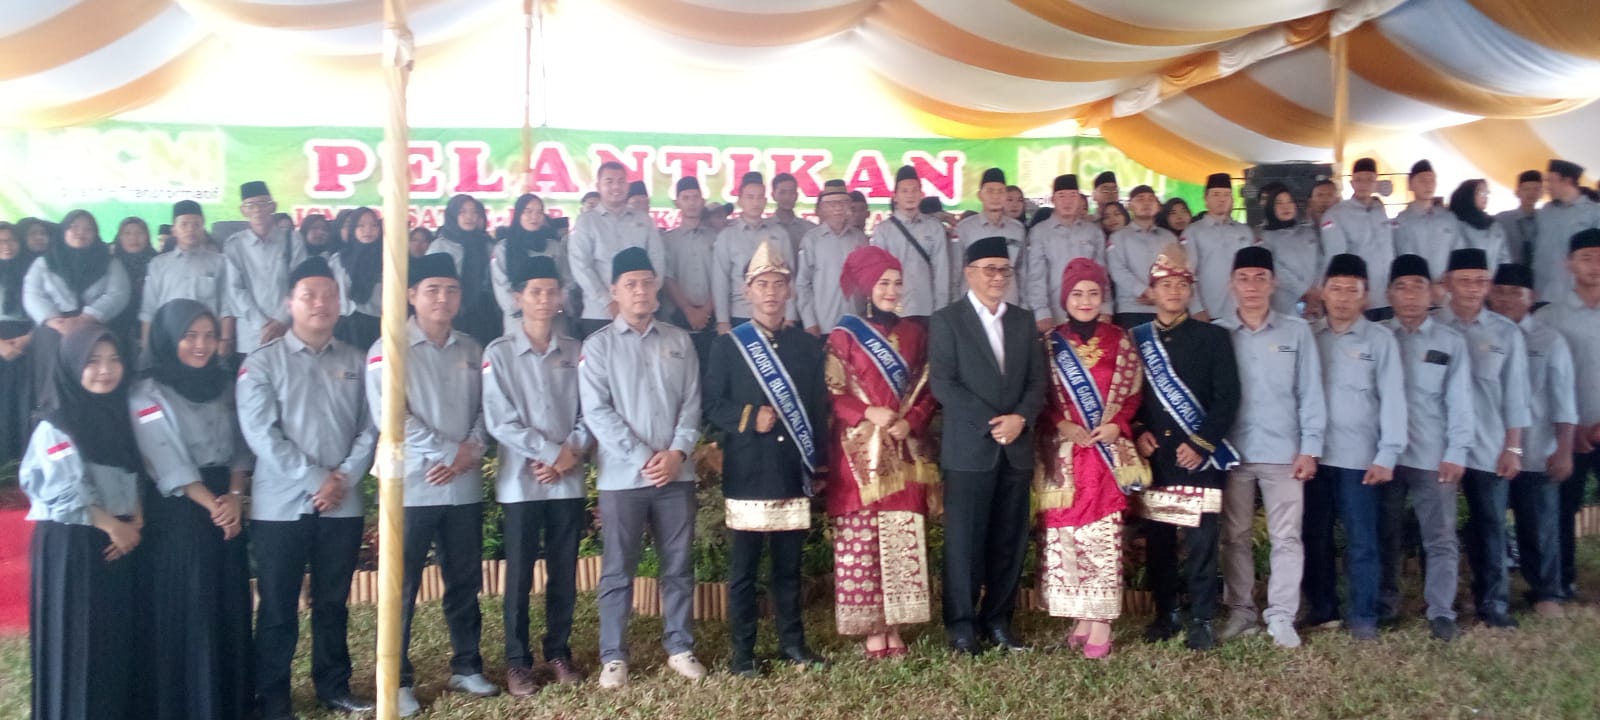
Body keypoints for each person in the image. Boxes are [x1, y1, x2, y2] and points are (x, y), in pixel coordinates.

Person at [237, 257, 376, 718]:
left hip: (342, 504)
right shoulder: (261, 362)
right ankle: (272, 696)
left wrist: (344, 478)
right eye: (309, 295)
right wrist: (318, 478)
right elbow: (261, 434)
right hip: (280, 507)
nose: (320, 303)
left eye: (329, 294)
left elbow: (370, 428)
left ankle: (334, 686)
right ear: (289, 302)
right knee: (278, 606)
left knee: (333, 603)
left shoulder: (357, 362)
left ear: (340, 302)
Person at [365, 253, 496, 712]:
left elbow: (487, 409)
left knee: (464, 580)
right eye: (432, 290)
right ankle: (396, 680)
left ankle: (467, 665)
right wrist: (447, 452)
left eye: (451, 290)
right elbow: (391, 416)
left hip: (462, 486)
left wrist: (471, 449)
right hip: (412, 487)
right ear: (411, 295)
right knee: (401, 586)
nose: (443, 298)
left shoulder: (472, 349)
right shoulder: (388, 347)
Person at [580, 247, 705, 688]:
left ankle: (680, 646)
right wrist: (643, 459)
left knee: (678, 565)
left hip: (676, 474)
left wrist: (678, 453)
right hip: (622, 478)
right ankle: (613, 656)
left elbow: (692, 403)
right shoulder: (598, 347)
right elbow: (597, 412)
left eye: (647, 282)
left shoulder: (679, 341)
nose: (640, 291)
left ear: (657, 288)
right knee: (618, 569)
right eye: (630, 284)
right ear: (614, 291)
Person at [703, 241, 829, 676]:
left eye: (778, 283)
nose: (771, 292)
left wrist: (821, 465)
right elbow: (710, 405)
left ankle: (793, 644)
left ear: (789, 290)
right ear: (747, 291)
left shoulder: (807, 347)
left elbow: (817, 408)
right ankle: (743, 653)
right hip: (748, 471)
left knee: (789, 567)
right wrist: (747, 416)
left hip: (791, 470)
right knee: (744, 571)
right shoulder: (728, 347)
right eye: (762, 284)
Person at [131, 299, 253, 719]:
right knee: (192, 604)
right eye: (190, 336)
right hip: (179, 509)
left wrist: (234, 496)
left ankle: (230, 701)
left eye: (209, 335)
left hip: (226, 501)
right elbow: (164, 458)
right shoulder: (146, 390)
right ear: (169, 338)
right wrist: (215, 506)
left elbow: (241, 444)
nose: (201, 345)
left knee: (227, 600)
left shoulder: (226, 382)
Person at [928, 235, 1048, 655]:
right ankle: (961, 627)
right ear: (969, 273)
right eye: (989, 270)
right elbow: (943, 383)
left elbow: (1038, 381)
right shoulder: (947, 320)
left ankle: (998, 621)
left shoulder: (1023, 320)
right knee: (964, 543)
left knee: (1009, 542)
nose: (998, 277)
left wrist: (1021, 418)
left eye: (1004, 270)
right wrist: (991, 422)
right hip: (969, 449)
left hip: (1015, 446)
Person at [21, 325, 144, 720]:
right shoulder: (56, 423)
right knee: (75, 642)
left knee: (111, 643)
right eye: (92, 361)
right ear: (72, 366)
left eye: (113, 359)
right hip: (73, 545)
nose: (105, 370)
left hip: (117, 543)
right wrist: (114, 526)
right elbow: (61, 491)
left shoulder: (120, 415)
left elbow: (135, 472)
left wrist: (135, 521)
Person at [482, 255, 591, 694]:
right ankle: (517, 661)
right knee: (520, 574)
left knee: (564, 570)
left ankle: (559, 652)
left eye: (551, 291)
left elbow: (590, 411)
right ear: (517, 298)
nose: (544, 299)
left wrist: (570, 453)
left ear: (561, 297)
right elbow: (499, 420)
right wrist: (550, 453)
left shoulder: (576, 352)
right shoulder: (499, 353)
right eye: (535, 292)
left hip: (567, 480)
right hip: (521, 483)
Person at [824, 246, 937, 659]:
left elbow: (929, 388)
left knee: (900, 535)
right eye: (883, 283)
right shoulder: (844, 335)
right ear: (866, 287)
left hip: (904, 449)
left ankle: (897, 624)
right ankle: (873, 628)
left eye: (897, 283)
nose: (891, 290)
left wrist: (914, 420)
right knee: (864, 539)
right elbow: (832, 392)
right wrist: (867, 412)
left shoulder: (915, 334)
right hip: (859, 454)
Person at [1214, 246, 1326, 649]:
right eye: (1244, 278)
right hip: (1233, 452)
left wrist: (1310, 447)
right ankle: (1241, 611)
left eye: (1260, 278)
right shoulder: (1219, 333)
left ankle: (1281, 615)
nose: (1252, 286)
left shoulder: (1296, 332)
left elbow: (1310, 391)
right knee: (1234, 536)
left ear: (1273, 283)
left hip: (1284, 452)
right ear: (1231, 284)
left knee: (1286, 538)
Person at [1131, 243, 1240, 651]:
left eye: (1181, 284)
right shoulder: (1137, 340)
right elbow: (1129, 398)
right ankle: (1166, 614)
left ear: (1191, 290)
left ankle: (1202, 618)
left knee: (1201, 543)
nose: (1173, 291)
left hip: (1200, 458)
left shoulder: (1214, 337)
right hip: (1157, 457)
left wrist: (1201, 443)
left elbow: (1227, 398)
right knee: (1159, 542)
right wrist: (1138, 430)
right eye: (1165, 285)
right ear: (1152, 291)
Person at [1035, 258, 1145, 659]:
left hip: (1104, 454)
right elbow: (1038, 396)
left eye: (1093, 293)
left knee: (1101, 536)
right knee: (1067, 536)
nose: (1085, 300)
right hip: (1063, 454)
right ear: (1065, 299)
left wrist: (1118, 424)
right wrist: (1061, 423)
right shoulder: (1049, 344)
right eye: (1077, 294)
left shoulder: (1121, 341)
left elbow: (1133, 393)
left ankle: (1101, 622)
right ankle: (1081, 614)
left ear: (1103, 297)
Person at [1301, 254, 1407, 640]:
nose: (1343, 298)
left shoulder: (1380, 340)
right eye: (1336, 289)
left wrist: (1387, 454)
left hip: (1361, 458)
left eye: (1352, 291)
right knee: (1315, 536)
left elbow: (1393, 399)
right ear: (1322, 292)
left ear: (1366, 297)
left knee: (1362, 539)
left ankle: (1363, 615)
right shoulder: (1307, 336)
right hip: (1314, 456)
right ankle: (1323, 609)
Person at [1378, 254, 1474, 641]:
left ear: (1432, 292)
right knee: (1385, 534)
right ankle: (1386, 604)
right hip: (1384, 458)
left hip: (1433, 456)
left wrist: (1457, 451)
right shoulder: (1378, 337)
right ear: (1389, 293)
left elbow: (1460, 401)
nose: (1410, 295)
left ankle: (1441, 610)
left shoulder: (1450, 342)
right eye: (1401, 287)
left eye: (1418, 286)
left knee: (1440, 537)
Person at [1433, 248, 1530, 628]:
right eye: (1464, 281)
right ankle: (1441, 601)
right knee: (1438, 529)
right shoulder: (1431, 326)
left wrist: (1513, 448)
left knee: (1490, 525)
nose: (1473, 288)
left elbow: (1516, 396)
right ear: (1447, 283)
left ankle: (1493, 603)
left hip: (1489, 447)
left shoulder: (1506, 332)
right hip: (1438, 449)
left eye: (1480, 281)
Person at [1489, 262, 1573, 617]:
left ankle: (1546, 593)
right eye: (1500, 291)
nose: (1506, 299)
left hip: (1537, 448)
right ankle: (1492, 595)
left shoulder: (1549, 340)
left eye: (1516, 293)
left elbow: (1564, 400)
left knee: (1539, 526)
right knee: (1490, 526)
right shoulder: (1482, 333)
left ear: (1532, 297)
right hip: (1491, 449)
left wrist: (1564, 450)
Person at [1538, 228, 1600, 599]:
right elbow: (1543, 381)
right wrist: (1570, 429)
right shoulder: (1551, 317)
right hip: (1566, 434)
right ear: (1569, 264)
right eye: (1586, 258)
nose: (1595, 266)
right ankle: (1562, 581)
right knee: (1562, 508)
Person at [24, 210, 132, 406]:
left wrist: (87, 318)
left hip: (96, 324)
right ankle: (53, 410)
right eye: (74, 227)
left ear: (95, 234)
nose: (80, 232)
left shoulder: (109, 262)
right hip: (54, 327)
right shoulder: (45, 262)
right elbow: (32, 294)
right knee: (52, 369)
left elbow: (119, 293)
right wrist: (54, 321)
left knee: (99, 358)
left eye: (87, 229)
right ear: (64, 231)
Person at [569, 161, 667, 339]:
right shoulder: (586, 222)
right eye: (609, 181)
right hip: (600, 314)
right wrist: (608, 302)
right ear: (598, 186)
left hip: (642, 311)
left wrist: (647, 296)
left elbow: (657, 260)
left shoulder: (644, 220)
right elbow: (581, 266)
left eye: (621, 181)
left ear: (627, 186)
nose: (616, 187)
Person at [223, 181, 305, 358]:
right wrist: (263, 324)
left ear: (273, 207)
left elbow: (300, 284)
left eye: (262, 204)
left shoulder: (293, 240)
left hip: (289, 329)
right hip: (252, 335)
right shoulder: (234, 245)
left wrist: (281, 320)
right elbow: (235, 290)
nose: (257, 210)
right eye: (250, 206)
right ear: (243, 211)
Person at [141, 201, 231, 355]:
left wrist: (225, 340)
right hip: (168, 341)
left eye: (196, 224)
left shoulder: (219, 262)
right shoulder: (158, 264)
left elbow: (226, 306)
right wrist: (147, 348)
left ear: (203, 228)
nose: (190, 229)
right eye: (184, 224)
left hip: (206, 342)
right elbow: (148, 310)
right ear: (174, 230)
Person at [714, 171, 799, 333]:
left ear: (766, 201)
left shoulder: (779, 233)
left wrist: (790, 316)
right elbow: (720, 281)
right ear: (740, 200)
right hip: (740, 314)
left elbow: (790, 278)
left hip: (775, 315)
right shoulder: (727, 236)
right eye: (750, 197)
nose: (756, 202)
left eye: (760, 197)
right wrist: (722, 320)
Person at [1026, 174, 1110, 331]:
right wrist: (1041, 312)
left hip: (1089, 308)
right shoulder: (1040, 232)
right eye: (1061, 196)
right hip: (1054, 313)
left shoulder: (1093, 232)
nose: (1067, 201)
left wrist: (1106, 307)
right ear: (1053, 199)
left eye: (1073, 195)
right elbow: (1036, 276)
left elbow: (1102, 273)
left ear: (1080, 199)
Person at [1107, 187, 1200, 328]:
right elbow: (1117, 271)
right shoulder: (1118, 237)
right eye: (1140, 199)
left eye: (1151, 199)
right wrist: (1144, 291)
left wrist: (1159, 295)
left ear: (1157, 205)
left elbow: (1180, 269)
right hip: (1132, 309)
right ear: (1129, 205)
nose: (1146, 203)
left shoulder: (1169, 237)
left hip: (1167, 308)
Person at [870, 165, 952, 320]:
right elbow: (878, 276)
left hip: (926, 309)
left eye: (914, 190)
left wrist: (940, 312)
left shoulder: (934, 228)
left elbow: (941, 272)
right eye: (905, 191)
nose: (910, 195)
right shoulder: (882, 231)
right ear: (895, 196)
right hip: (895, 311)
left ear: (921, 194)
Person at [1322, 158, 1396, 320]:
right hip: (1361, 300)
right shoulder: (1336, 214)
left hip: (1389, 296)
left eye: (1369, 180)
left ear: (1375, 182)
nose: (1364, 185)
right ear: (1351, 183)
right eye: (1359, 180)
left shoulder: (1379, 209)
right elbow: (1336, 261)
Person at [427, 194, 502, 347]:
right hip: (450, 308)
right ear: (453, 215)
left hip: (484, 312)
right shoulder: (440, 246)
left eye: (474, 212)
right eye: (463, 212)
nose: (470, 217)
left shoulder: (487, 244)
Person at [492, 193, 572, 335]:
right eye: (528, 211)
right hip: (518, 319)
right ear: (518, 214)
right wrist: (526, 307)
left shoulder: (554, 246)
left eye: (539, 212)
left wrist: (557, 304)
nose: (534, 217)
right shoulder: (503, 248)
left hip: (552, 317)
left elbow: (567, 280)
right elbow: (501, 286)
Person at [660, 177, 718, 366]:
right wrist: (688, 310)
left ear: (703, 201)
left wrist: (706, 310)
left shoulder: (717, 238)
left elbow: (721, 276)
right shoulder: (667, 240)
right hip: (676, 318)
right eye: (686, 198)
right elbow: (667, 278)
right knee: (679, 370)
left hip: (712, 318)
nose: (691, 203)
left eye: (695, 197)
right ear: (677, 202)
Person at [796, 186, 867, 335]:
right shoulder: (811, 240)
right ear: (822, 208)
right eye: (832, 204)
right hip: (823, 324)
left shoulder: (860, 239)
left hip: (856, 322)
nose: (838, 208)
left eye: (843, 202)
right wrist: (809, 321)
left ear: (849, 206)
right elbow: (803, 284)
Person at [952, 169, 1028, 306]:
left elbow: (1022, 272)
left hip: (1009, 303)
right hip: (973, 306)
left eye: (1000, 191)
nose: (995, 196)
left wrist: (1024, 307)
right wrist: (955, 307)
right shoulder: (964, 229)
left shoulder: (1017, 229)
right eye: (990, 191)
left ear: (1005, 195)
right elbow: (955, 272)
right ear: (980, 195)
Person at [1187, 173, 1257, 322]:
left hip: (1243, 311)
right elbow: (1188, 274)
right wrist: (1196, 308)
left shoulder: (1245, 231)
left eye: (1226, 194)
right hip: (1210, 311)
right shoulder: (1193, 232)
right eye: (1216, 194)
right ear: (1205, 198)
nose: (1222, 199)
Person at [1533, 159, 1600, 301]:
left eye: (1551, 181)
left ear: (1567, 181)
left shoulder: (1593, 212)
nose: (1547, 186)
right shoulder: (1545, 212)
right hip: (1542, 293)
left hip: (1577, 295)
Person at [0, 222, 37, 466]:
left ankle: (25, 462)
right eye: (0, 242)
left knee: (24, 402)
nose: (6, 246)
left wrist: (29, 339)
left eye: (11, 240)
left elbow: (45, 310)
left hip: (29, 342)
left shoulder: (33, 269)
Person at [1259, 187, 1323, 317]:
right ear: (1271, 208)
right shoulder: (1265, 238)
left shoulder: (1309, 232)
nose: (1286, 207)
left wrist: (1317, 289)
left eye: (1289, 202)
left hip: (1316, 298)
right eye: (1279, 203)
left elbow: (1321, 261)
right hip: (1285, 302)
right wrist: (1305, 291)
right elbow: (1275, 269)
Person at [328, 207, 384, 351]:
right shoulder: (338, 260)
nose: (368, 230)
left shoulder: (386, 261)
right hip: (343, 326)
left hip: (375, 326)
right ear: (353, 228)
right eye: (361, 225)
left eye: (374, 225)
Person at [1394, 160, 1457, 282]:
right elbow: (1405, 256)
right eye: (1422, 180)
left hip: (1446, 286)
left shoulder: (1448, 218)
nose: (1428, 185)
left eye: (1432, 180)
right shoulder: (1402, 221)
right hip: (1417, 285)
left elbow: (1457, 251)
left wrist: (1445, 282)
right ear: (1410, 185)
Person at [110, 217, 157, 352]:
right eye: (127, 233)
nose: (134, 238)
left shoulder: (158, 263)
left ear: (147, 236)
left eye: (139, 233)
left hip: (151, 325)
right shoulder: (109, 264)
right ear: (120, 237)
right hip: (116, 325)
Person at [1451, 180, 1511, 267]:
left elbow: (1505, 258)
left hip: (1493, 275)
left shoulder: (1494, 225)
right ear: (1468, 194)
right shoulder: (1455, 223)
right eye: (1481, 192)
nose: (1485, 196)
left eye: (1487, 193)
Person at [1494, 170, 1542, 266]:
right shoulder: (1502, 219)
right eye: (1526, 189)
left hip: (1540, 272)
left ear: (1542, 193)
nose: (1531, 193)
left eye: (1536, 189)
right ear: (1517, 192)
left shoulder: (1546, 219)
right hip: (1510, 272)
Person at [771, 172, 818, 246]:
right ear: (773, 195)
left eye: (791, 192)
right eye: (782, 192)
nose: (787, 197)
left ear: (796, 195)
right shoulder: (765, 228)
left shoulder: (810, 230)